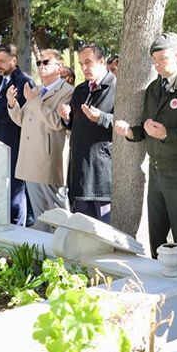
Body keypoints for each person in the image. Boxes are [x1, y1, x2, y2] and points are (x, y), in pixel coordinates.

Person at [114, 33, 177, 268]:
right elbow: (150, 129)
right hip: (157, 171)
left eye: (162, 59)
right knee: (158, 238)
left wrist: (167, 134)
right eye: (154, 60)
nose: (156, 65)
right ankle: (164, 288)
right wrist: (132, 133)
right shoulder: (153, 89)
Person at [7, 49, 74, 229]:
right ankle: (44, 253)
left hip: (48, 161)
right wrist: (12, 104)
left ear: (59, 68)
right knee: (40, 216)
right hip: (30, 160)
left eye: (46, 63)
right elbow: (22, 120)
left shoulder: (67, 91)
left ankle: (64, 253)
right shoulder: (37, 90)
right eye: (38, 63)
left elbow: (58, 123)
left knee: (59, 216)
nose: (41, 66)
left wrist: (35, 101)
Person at [0, 44, 35, 224]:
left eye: (2, 61)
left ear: (14, 60)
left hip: (14, 143)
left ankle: (19, 230)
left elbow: (25, 116)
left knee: (15, 193)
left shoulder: (23, 81)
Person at [59, 44, 116, 222]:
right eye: (81, 64)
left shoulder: (117, 89)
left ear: (102, 61)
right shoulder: (80, 90)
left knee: (105, 233)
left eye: (88, 63)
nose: (84, 68)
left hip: (103, 177)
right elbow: (75, 126)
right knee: (84, 233)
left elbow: (127, 126)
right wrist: (67, 118)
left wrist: (101, 118)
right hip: (80, 175)